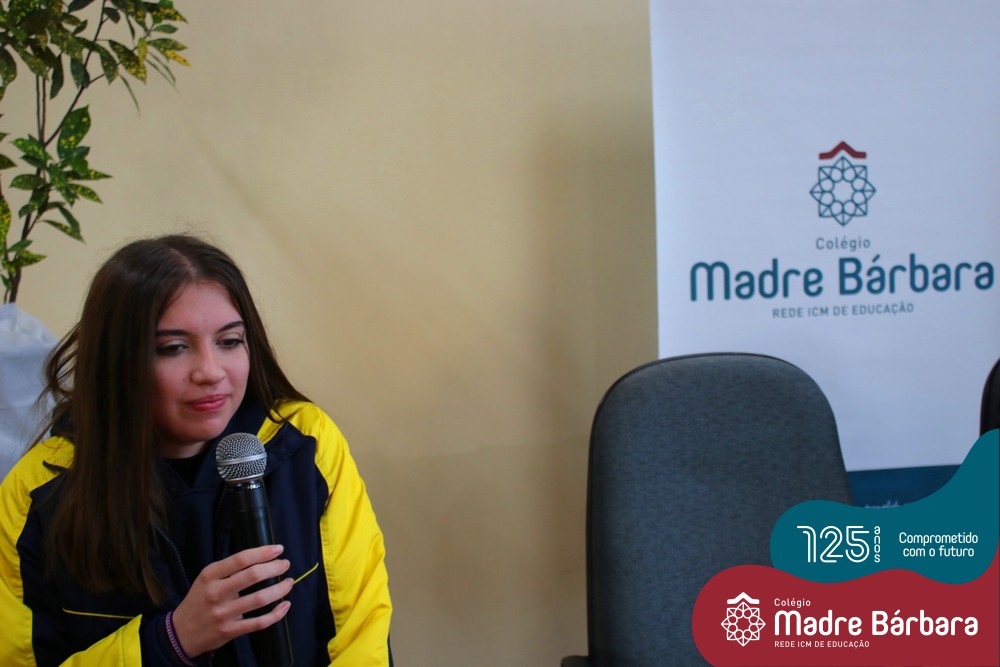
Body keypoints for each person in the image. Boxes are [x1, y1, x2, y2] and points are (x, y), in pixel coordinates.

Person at [0, 234, 392, 666]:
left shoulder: (304, 443)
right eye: (173, 348)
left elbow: (362, 633)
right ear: (118, 361)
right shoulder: (37, 493)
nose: (210, 372)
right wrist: (170, 641)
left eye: (230, 341)